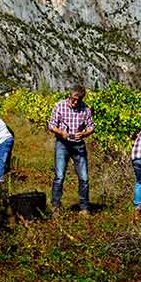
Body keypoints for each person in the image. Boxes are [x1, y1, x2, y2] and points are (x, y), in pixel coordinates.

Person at [47, 85, 94, 215]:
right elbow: (51, 125)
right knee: (59, 176)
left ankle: (84, 208)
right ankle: (56, 206)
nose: (76, 102)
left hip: (79, 145)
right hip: (62, 144)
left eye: (79, 100)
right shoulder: (59, 106)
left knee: (84, 178)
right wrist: (61, 132)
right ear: (70, 96)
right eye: (74, 99)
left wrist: (83, 134)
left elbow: (91, 127)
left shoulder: (86, 109)